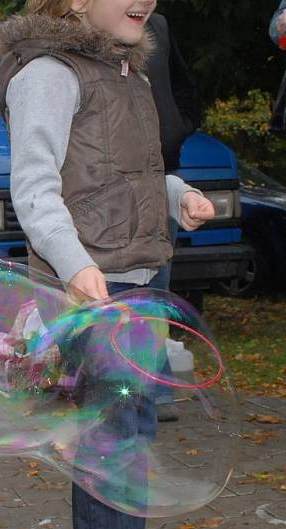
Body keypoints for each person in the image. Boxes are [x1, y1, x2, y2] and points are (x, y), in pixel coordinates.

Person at [0, 0, 215, 529]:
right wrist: (72, 264)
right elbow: (34, 187)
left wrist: (175, 195)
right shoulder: (48, 74)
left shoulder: (126, 73)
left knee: (131, 429)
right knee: (111, 439)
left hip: (142, 274)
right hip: (93, 283)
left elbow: (113, 177)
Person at [145, 12, 202, 422]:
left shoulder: (159, 25)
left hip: (162, 174)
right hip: (107, 188)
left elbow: (183, 86)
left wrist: (178, 127)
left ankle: (153, 389)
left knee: (156, 286)